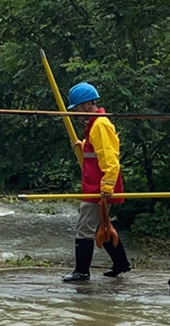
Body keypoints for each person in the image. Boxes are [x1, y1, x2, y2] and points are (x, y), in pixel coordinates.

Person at [61, 82, 130, 282]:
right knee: (102, 224)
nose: (76, 113)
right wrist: (83, 145)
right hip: (95, 183)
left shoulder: (100, 124)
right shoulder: (94, 124)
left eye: (77, 109)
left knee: (85, 227)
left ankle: (81, 271)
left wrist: (107, 186)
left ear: (87, 104)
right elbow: (96, 151)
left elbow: (110, 158)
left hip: (99, 186)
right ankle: (121, 263)